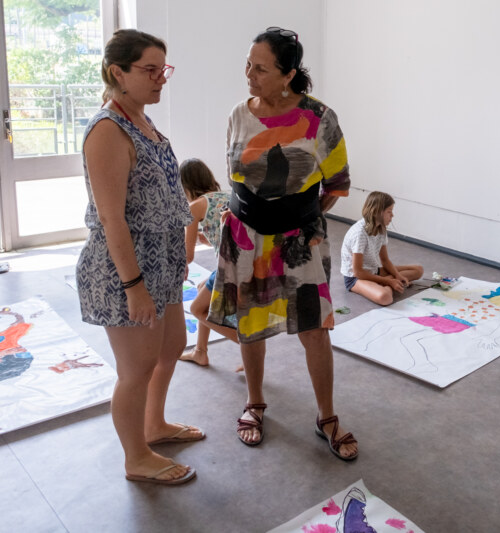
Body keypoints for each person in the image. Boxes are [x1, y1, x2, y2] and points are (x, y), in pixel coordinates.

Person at [208, 27, 358, 460]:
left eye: (260, 68)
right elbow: (235, 173)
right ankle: (254, 403)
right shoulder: (239, 113)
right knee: (250, 326)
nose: (249, 75)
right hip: (244, 236)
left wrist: (300, 217)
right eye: (248, 65)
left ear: (288, 73)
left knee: (314, 328)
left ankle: (326, 416)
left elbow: (336, 182)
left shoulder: (318, 117)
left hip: (299, 239)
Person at [75, 29, 202, 486]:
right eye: (149, 70)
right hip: (124, 269)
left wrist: (179, 252)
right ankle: (136, 457)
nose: (160, 79)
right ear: (118, 72)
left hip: (162, 263)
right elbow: (112, 219)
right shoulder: (107, 131)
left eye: (163, 69)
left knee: (170, 348)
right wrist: (134, 287)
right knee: (136, 369)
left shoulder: (143, 121)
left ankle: (155, 425)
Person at [177, 158, 241, 369]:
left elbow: (188, 256)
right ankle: (200, 352)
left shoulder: (195, 206)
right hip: (245, 263)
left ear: (185, 186)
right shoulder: (229, 196)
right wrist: (208, 238)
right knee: (201, 287)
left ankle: (248, 346)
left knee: (197, 309)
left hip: (230, 269)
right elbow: (223, 230)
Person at [340, 192, 424, 306]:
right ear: (377, 212)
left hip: (374, 271)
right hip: (355, 278)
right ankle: (387, 285)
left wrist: (397, 275)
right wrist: (389, 281)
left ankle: (387, 282)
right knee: (385, 298)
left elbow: (385, 260)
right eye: (389, 211)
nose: (392, 215)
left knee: (418, 270)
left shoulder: (381, 229)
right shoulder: (359, 233)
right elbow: (358, 272)